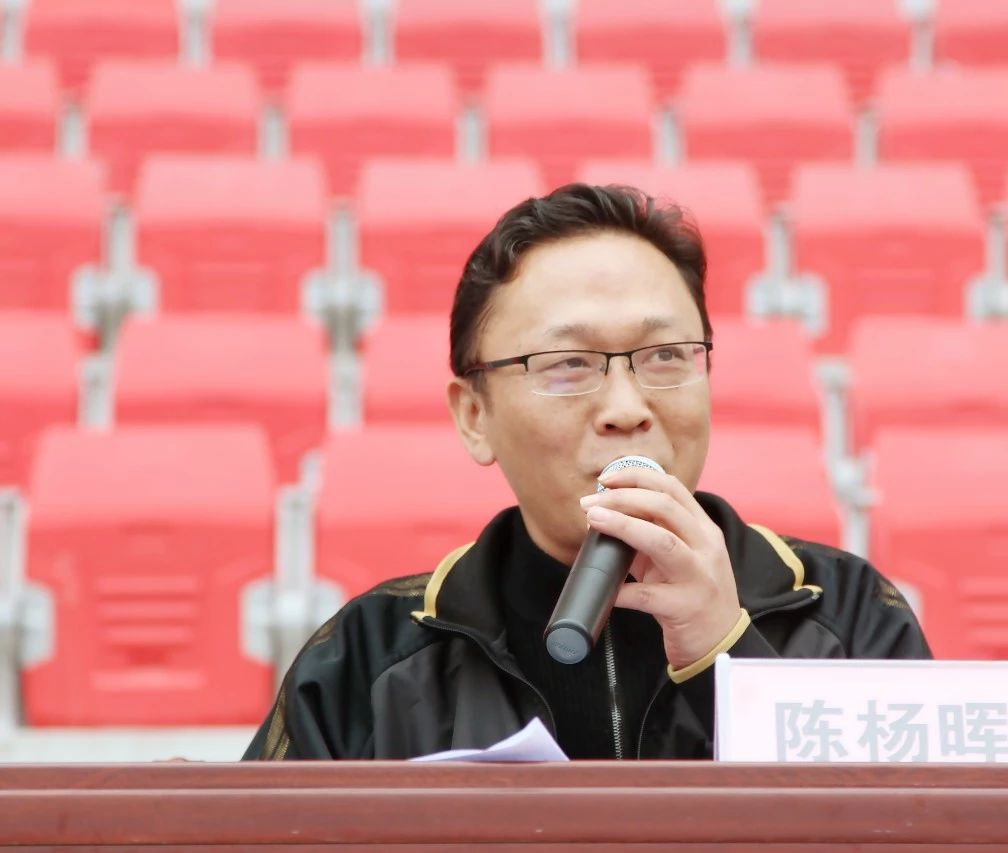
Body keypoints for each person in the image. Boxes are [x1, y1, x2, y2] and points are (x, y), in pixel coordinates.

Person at [243, 184, 931, 761]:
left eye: (666, 355)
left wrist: (726, 656)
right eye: (569, 364)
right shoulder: (369, 656)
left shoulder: (848, 616)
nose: (627, 409)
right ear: (474, 415)